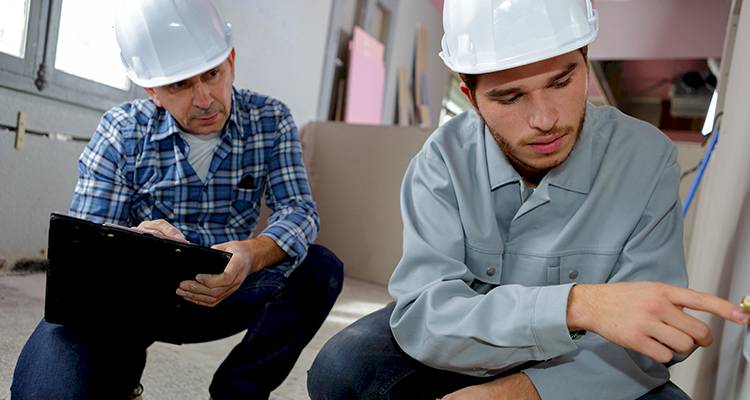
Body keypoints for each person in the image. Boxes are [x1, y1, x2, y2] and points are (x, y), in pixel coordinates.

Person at [307, 1, 749, 399]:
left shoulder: (646, 159)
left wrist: (521, 393)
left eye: (562, 81)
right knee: (343, 368)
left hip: (583, 364)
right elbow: (425, 317)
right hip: (461, 347)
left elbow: (648, 343)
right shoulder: (441, 162)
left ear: (586, 62)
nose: (545, 120)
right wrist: (579, 304)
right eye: (509, 96)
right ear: (471, 99)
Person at [11, 1, 342, 399]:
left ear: (231, 61)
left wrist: (252, 253)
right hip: (138, 299)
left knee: (320, 268)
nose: (204, 98)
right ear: (152, 90)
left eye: (212, 74)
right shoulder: (121, 130)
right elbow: (86, 249)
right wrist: (133, 240)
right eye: (179, 85)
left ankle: (239, 391)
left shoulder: (271, 120)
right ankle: (119, 372)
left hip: (228, 290)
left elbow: (299, 210)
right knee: (48, 385)